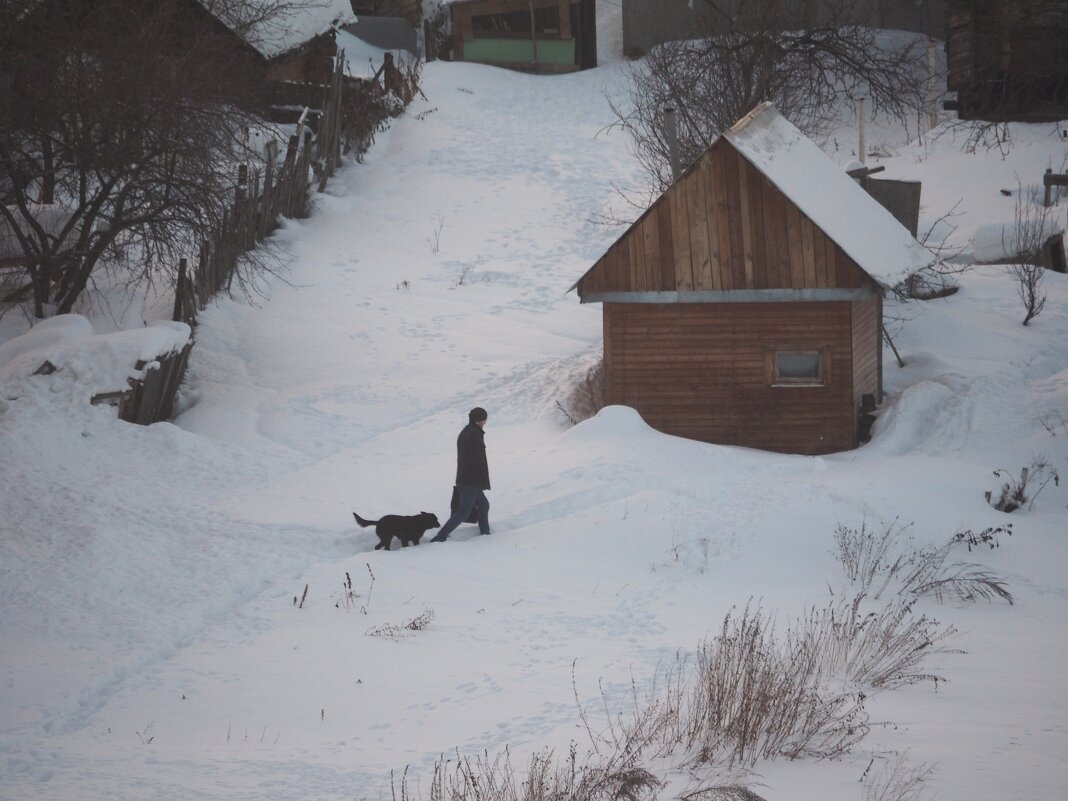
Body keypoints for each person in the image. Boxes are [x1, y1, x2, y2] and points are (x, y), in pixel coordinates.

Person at [430, 407, 491, 542]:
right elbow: (476, 459)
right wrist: (479, 477)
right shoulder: (473, 434)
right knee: (464, 512)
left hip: (469, 479)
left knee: (484, 505)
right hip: (470, 480)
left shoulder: (468, 432)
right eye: (484, 419)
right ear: (479, 420)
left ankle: (485, 534)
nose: (485, 422)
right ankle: (440, 537)